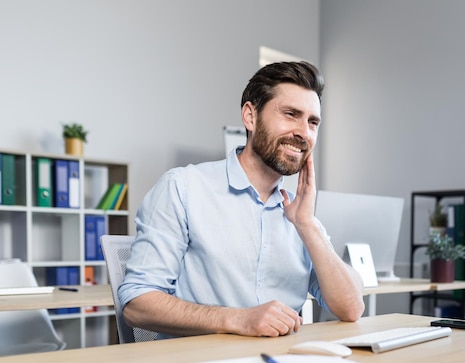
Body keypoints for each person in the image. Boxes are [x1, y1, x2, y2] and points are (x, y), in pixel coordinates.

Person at [118, 61, 365, 338]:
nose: (304, 133)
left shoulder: (299, 214)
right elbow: (137, 304)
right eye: (290, 114)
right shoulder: (183, 188)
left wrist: (307, 225)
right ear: (250, 116)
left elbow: (352, 308)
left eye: (313, 122)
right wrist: (239, 320)